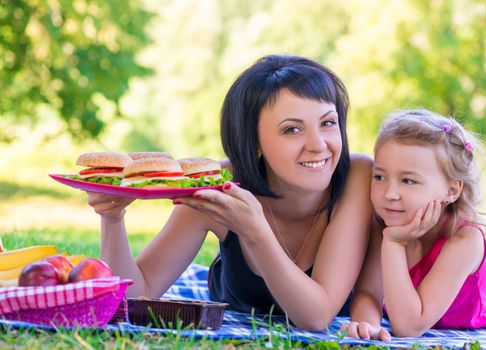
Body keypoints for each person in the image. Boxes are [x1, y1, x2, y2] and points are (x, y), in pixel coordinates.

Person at [86, 54, 374, 330]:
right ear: (254, 143)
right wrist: (112, 219)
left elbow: (316, 317)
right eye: (292, 130)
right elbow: (135, 296)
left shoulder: (356, 175)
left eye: (327, 123)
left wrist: (254, 230)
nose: (318, 144)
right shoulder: (217, 185)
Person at [341, 108, 486, 339]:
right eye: (380, 177)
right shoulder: (384, 224)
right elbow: (369, 291)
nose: (390, 193)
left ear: (452, 190)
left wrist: (394, 244)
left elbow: (408, 327)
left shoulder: (465, 239)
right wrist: (367, 323)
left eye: (408, 180)